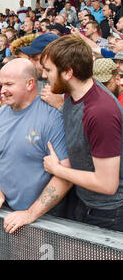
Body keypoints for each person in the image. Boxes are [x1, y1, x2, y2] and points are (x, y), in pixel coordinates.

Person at [41, 35, 123, 232]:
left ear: (68, 72)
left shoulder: (101, 112)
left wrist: (57, 169)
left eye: (48, 70)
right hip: (82, 201)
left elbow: (107, 184)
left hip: (106, 213)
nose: (44, 76)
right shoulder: (73, 94)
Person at [0, 58, 72, 234]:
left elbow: (66, 174)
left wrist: (31, 213)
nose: (3, 91)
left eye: (9, 84)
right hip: (8, 212)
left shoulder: (51, 117)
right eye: (1, 84)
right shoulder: (0, 114)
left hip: (45, 219)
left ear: (30, 83)